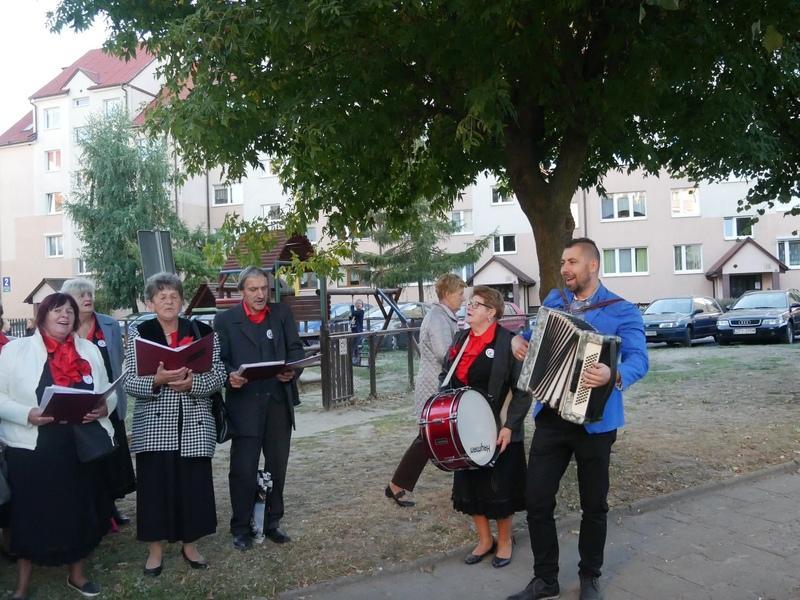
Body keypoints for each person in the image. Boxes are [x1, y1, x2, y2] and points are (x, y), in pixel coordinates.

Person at [506, 238, 648, 600]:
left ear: (592, 265)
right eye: (562, 262)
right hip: (552, 416)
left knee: (594, 504)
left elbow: (639, 360)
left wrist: (613, 374)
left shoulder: (622, 310)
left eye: (571, 262)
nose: (564, 268)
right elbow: (531, 335)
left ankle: (590, 577)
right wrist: (517, 341)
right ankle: (545, 579)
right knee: (537, 499)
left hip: (595, 423)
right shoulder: (555, 301)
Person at [0, 293, 115, 599]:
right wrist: (27, 414)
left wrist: (104, 407)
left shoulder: (88, 350)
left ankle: (77, 575)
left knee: (77, 508)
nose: (64, 315)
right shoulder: (15, 350)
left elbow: (108, 391)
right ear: (42, 316)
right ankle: (22, 585)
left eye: (69, 311)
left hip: (78, 444)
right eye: (56, 310)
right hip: (32, 446)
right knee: (29, 513)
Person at [123, 272, 225, 576]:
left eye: (174, 296)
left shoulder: (203, 332)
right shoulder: (140, 334)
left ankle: (190, 545)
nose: (168, 301)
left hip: (195, 421)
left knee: (193, 487)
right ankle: (155, 551)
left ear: (182, 302)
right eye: (162, 296)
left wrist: (194, 383)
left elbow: (219, 374)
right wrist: (156, 380)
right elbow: (128, 382)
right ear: (150, 303)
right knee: (155, 489)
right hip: (155, 427)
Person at [439, 286, 532, 569]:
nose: (468, 308)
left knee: (498, 487)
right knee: (470, 486)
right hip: (465, 427)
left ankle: (504, 541)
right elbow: (446, 374)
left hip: (498, 426)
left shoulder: (508, 342)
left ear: (491, 313)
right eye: (469, 303)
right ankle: (484, 540)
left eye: (476, 304)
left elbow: (523, 390)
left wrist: (510, 427)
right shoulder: (461, 339)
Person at [214, 266, 305, 550]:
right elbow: (219, 360)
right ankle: (241, 527)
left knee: (277, 466)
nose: (260, 294)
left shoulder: (282, 314)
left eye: (264, 288)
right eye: (253, 289)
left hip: (278, 402)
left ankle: (272, 522)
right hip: (244, 406)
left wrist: (292, 371)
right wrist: (230, 376)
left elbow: (296, 350)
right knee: (243, 469)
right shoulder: (225, 320)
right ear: (241, 291)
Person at [385, 273, 465, 507]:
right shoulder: (438, 318)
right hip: (434, 388)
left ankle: (397, 485)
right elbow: (445, 354)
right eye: (460, 294)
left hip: (438, 386)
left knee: (432, 438)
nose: (462, 299)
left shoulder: (444, 316)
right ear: (447, 293)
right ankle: (396, 485)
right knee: (427, 439)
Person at [62, 278, 136, 528]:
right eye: (81, 295)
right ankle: (92, 509)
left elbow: (118, 359)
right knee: (87, 455)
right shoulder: (63, 326)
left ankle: (111, 507)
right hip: (77, 401)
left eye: (90, 294)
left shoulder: (109, 324)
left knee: (111, 455)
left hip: (108, 398)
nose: (88, 298)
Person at [349, 299, 365, 365]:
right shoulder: (355, 312)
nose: (358, 305)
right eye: (357, 303)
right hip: (354, 330)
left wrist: (352, 307)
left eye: (360, 304)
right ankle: (355, 359)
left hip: (358, 331)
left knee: (355, 346)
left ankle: (355, 359)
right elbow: (352, 319)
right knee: (354, 345)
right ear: (355, 305)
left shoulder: (361, 312)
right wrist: (350, 317)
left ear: (362, 305)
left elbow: (354, 313)